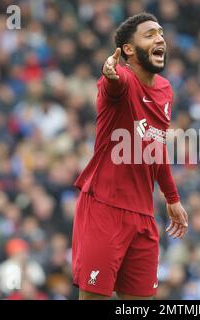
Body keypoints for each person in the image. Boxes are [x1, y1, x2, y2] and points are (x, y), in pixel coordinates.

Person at [72, 12, 189, 300]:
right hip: (104, 207)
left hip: (144, 217)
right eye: (149, 34)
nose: (160, 38)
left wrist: (172, 199)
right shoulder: (121, 79)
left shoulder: (165, 90)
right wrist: (109, 73)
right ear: (128, 49)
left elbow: (156, 147)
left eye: (160, 32)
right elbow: (113, 82)